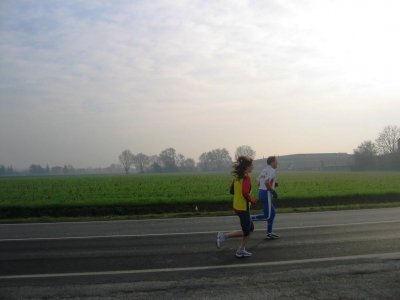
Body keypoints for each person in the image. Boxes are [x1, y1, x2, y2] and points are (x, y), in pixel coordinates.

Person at [216, 156, 257, 258]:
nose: (253, 167)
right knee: (246, 231)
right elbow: (245, 192)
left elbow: (231, 191)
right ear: (247, 167)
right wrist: (252, 200)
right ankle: (223, 236)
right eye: (252, 165)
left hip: (237, 206)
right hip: (243, 208)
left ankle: (241, 249)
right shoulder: (246, 177)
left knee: (251, 228)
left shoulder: (237, 177)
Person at [252, 156, 280, 239]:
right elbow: (266, 182)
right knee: (267, 216)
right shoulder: (272, 170)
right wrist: (273, 191)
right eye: (276, 161)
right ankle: (249, 218)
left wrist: (273, 184)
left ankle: (269, 233)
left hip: (261, 192)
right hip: (266, 193)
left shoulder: (264, 170)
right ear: (272, 162)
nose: (277, 163)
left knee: (273, 212)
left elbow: (258, 183)